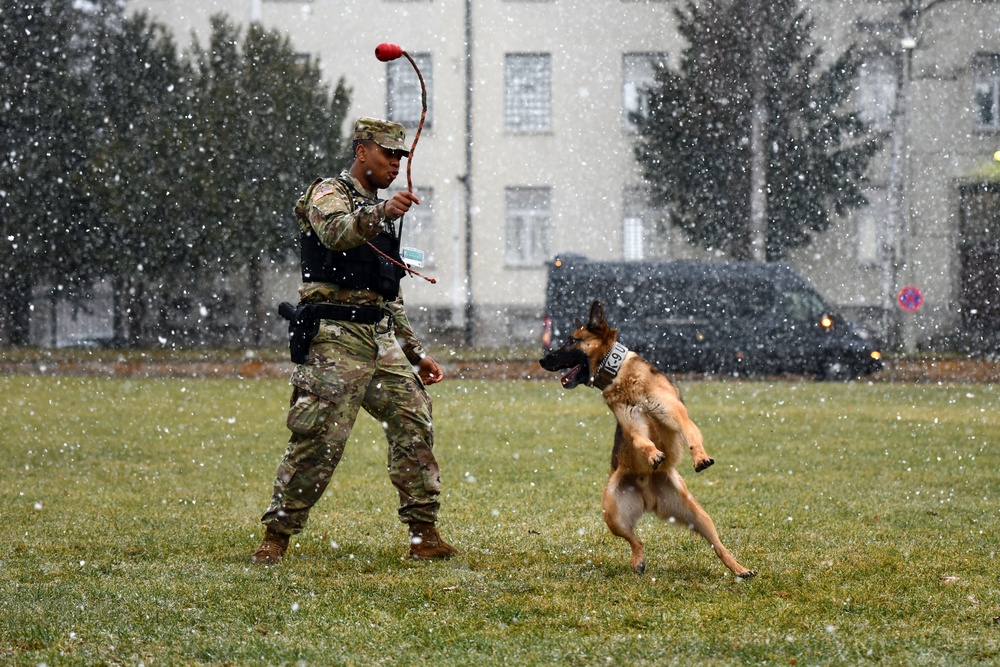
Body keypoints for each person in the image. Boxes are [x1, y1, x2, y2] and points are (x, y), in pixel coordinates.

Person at [251, 117, 457, 563]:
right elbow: (335, 233)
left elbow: (388, 292)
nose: (396, 165)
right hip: (334, 337)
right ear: (362, 150)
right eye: (388, 154)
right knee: (319, 438)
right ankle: (277, 535)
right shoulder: (328, 193)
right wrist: (380, 213)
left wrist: (414, 352)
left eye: (402, 157)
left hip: (378, 336)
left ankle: (423, 534)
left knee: (413, 420)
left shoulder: (383, 218)